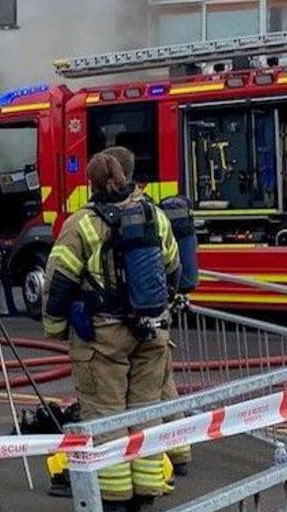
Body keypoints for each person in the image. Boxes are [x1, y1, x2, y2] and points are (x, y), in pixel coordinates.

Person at [43, 152, 181, 512]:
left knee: (106, 414)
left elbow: (59, 282)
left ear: (90, 183)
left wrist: (57, 329)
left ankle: (116, 495)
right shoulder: (156, 217)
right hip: (153, 331)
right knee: (146, 410)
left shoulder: (82, 225)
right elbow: (174, 270)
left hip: (104, 337)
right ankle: (148, 489)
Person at [101, 146, 193, 476]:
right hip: (158, 318)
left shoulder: (98, 219)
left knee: (117, 403)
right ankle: (179, 452)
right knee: (162, 388)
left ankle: (125, 480)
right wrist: (165, 300)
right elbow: (173, 264)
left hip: (116, 323)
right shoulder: (156, 215)